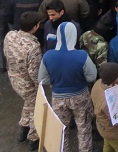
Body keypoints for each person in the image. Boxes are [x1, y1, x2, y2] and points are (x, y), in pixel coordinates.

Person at [38, 22, 98, 152]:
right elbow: (92, 76)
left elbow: (42, 79)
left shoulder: (48, 56)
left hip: (58, 98)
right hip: (80, 95)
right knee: (84, 128)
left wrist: (55, 81)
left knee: (61, 129)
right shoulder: (81, 55)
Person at [3, 12, 43, 150]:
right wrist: (40, 87)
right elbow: (34, 72)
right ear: (36, 26)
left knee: (29, 104)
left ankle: (23, 129)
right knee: (35, 109)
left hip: (14, 78)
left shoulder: (10, 36)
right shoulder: (33, 47)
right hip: (28, 84)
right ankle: (33, 138)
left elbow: (6, 54)